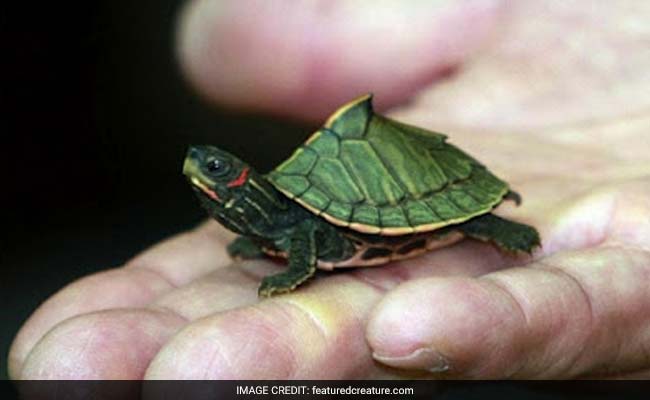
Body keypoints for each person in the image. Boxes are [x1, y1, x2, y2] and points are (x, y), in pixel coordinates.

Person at [9, 0, 650, 379]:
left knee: (463, 228)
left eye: (216, 170)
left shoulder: (293, 223)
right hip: (289, 215)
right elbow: (279, 225)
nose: (202, 169)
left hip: (402, 198)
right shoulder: (268, 216)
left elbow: (308, 233)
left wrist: (292, 272)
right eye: (207, 172)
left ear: (238, 181)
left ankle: (485, 216)